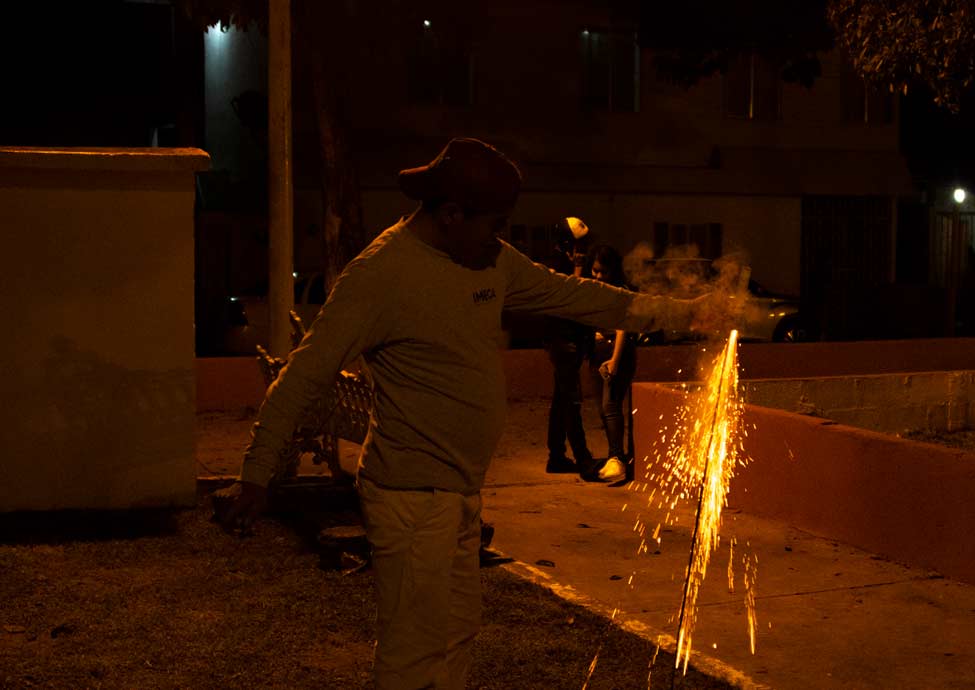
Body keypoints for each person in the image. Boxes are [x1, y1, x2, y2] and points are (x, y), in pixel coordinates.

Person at [214, 137, 732, 690]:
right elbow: (303, 375)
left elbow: (579, 296)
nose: (502, 239)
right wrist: (256, 473)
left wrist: (686, 313)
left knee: (456, 637)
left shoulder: (487, 259)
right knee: (412, 657)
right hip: (410, 498)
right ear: (451, 214)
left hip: (458, 494)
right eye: (495, 223)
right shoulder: (381, 276)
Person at [543, 217, 596, 477]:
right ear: (566, 243)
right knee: (572, 401)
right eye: (579, 244)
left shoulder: (571, 264)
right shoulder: (557, 267)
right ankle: (583, 459)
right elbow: (568, 303)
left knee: (561, 400)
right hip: (563, 343)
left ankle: (556, 456)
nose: (583, 250)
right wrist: (576, 271)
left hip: (568, 341)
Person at [587, 244, 637, 483]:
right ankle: (613, 455)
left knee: (611, 405)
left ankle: (618, 459)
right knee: (601, 408)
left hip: (617, 354)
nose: (597, 276)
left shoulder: (620, 292)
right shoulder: (593, 290)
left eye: (603, 272)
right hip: (597, 353)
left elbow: (622, 327)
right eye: (594, 271)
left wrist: (615, 359)